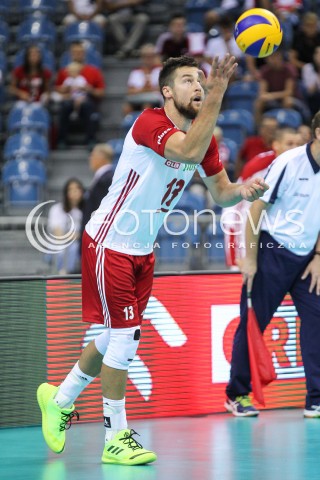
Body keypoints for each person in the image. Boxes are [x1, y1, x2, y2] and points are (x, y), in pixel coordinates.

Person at [37, 54, 269, 465]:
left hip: (142, 250)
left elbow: (220, 192)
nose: (197, 86)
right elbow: (189, 148)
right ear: (166, 92)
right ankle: (115, 436)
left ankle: (60, 397)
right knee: (125, 337)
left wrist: (243, 190)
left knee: (112, 337)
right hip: (109, 242)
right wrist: (218, 91)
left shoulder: (204, 137)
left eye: (201, 80)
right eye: (187, 80)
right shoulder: (149, 123)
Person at [225, 111, 320, 417]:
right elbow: (256, 210)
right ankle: (237, 394)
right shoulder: (288, 163)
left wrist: (318, 256)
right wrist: (250, 258)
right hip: (272, 251)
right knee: (253, 322)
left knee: (317, 320)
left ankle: (316, 398)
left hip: (307, 258)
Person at [222, 126, 299, 269]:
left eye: (297, 144)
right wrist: (240, 252)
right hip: (240, 220)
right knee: (241, 273)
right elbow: (239, 206)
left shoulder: (301, 166)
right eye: (289, 144)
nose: (294, 148)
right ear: (276, 145)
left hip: (272, 227)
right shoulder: (260, 166)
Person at [54, 42, 105, 148]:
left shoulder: (93, 71)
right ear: (71, 54)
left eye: (80, 52)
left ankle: (90, 140)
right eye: (75, 52)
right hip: (69, 100)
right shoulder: (64, 72)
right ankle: (62, 140)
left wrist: (89, 89)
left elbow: (100, 92)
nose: (77, 55)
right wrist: (65, 89)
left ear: (84, 53)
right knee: (65, 106)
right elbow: (57, 89)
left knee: (87, 106)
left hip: (86, 100)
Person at [46, 178, 84, 274]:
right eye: (71, 189)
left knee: (76, 247)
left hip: (79, 244)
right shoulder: (56, 209)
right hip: (61, 243)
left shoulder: (85, 210)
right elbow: (58, 234)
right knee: (65, 248)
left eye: (77, 189)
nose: (74, 192)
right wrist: (73, 236)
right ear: (66, 193)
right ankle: (63, 273)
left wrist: (78, 236)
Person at [80, 143, 114, 234]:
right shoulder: (104, 177)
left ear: (101, 157)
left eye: (92, 155)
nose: (90, 158)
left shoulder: (107, 179)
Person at [123, 43, 163, 115]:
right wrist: (145, 89)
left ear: (154, 57)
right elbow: (130, 91)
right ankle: (128, 124)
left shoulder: (160, 70)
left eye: (151, 56)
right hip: (139, 98)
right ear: (142, 57)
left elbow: (162, 89)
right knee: (127, 107)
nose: (148, 59)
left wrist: (143, 90)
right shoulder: (136, 72)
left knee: (147, 105)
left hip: (156, 100)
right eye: (146, 56)